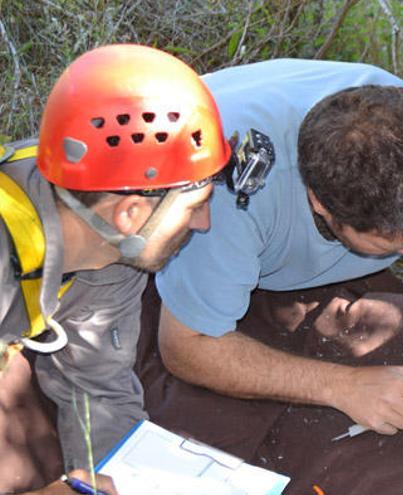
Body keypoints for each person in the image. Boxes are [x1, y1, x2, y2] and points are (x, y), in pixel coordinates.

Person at [155, 59, 403, 436]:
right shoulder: (225, 196)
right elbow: (186, 345)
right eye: (392, 240)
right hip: (160, 186)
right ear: (320, 202)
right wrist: (341, 385)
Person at [0, 43, 230, 476]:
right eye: (194, 205)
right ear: (129, 214)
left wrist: (113, 479)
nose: (204, 224)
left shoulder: (114, 259)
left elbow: (97, 392)